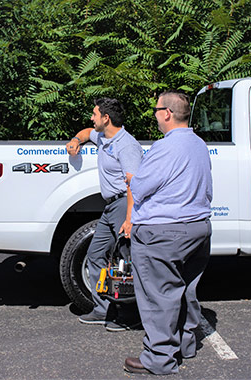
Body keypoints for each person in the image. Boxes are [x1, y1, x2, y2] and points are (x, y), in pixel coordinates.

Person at [124, 90, 213, 374]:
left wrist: (132, 178)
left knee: (158, 296)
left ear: (167, 113)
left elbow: (139, 188)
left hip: (162, 232)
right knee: (185, 291)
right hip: (197, 227)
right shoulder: (199, 144)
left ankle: (159, 359)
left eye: (156, 109)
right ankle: (185, 345)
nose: (154, 115)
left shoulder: (165, 147)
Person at [66, 97, 143, 332]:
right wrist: (76, 140)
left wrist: (130, 219)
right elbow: (88, 132)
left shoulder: (126, 145)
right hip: (109, 207)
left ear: (106, 118)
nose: (92, 117)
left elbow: (135, 184)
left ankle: (130, 315)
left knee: (126, 262)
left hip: (123, 204)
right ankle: (103, 308)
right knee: (95, 254)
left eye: (95, 113)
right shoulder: (104, 137)